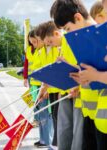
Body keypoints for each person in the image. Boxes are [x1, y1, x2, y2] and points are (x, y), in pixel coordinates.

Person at [50, 0, 107, 150]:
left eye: (68, 29)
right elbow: (92, 73)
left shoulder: (101, 37)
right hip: (91, 114)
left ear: (78, 18)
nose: (68, 34)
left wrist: (94, 76)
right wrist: (80, 79)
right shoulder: (84, 40)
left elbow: (98, 74)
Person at [37, 20, 83, 150]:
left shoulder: (71, 41)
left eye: (50, 42)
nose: (51, 46)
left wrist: (77, 86)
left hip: (76, 92)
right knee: (64, 128)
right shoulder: (62, 46)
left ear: (57, 33)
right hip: (65, 91)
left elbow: (81, 67)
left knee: (76, 131)